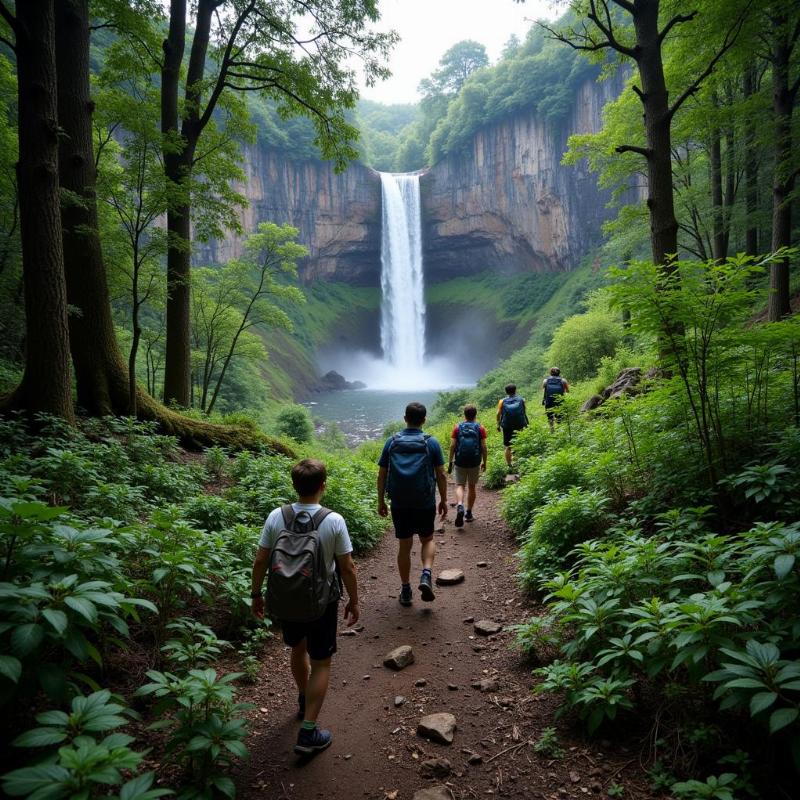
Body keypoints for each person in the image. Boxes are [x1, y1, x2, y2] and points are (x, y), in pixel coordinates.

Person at [250, 458, 359, 756]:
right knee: (321, 661)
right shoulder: (333, 520)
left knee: (298, 649)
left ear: (294, 485)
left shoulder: (277, 516)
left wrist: (256, 595)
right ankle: (309, 732)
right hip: (321, 603)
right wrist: (354, 600)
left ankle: (302, 696)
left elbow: (261, 559)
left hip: (287, 601)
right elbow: (347, 568)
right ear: (323, 486)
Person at [377, 402, 448, 606]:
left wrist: (380, 500)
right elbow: (441, 475)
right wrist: (443, 500)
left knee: (404, 546)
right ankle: (426, 574)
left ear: (405, 418)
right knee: (427, 539)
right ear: (424, 420)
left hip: (399, 502)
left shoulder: (391, 442)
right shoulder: (431, 442)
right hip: (424, 501)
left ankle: (406, 589)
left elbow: (382, 474)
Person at [448, 404, 488, 528]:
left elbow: (452, 446)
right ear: (475, 414)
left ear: (464, 415)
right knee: (472, 487)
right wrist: (484, 462)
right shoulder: (480, 428)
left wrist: (450, 461)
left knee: (460, 485)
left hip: (460, 460)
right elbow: (484, 447)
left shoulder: (457, 427)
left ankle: (460, 505)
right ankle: (469, 513)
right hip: (474, 461)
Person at [496, 383, 528, 469]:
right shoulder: (522, 399)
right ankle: (518, 462)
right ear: (515, 390)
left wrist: (498, 424)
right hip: (520, 424)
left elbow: (498, 413)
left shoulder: (502, 401)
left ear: (506, 392)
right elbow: (524, 412)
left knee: (508, 446)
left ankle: (509, 465)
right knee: (520, 442)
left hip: (507, 425)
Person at [542, 367, 570, 432]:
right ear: (559, 373)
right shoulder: (563, 380)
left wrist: (544, 399)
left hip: (549, 401)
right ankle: (560, 430)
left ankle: (552, 430)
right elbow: (568, 391)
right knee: (560, 416)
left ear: (550, 373)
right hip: (559, 401)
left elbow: (543, 390)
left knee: (550, 416)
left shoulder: (545, 381)